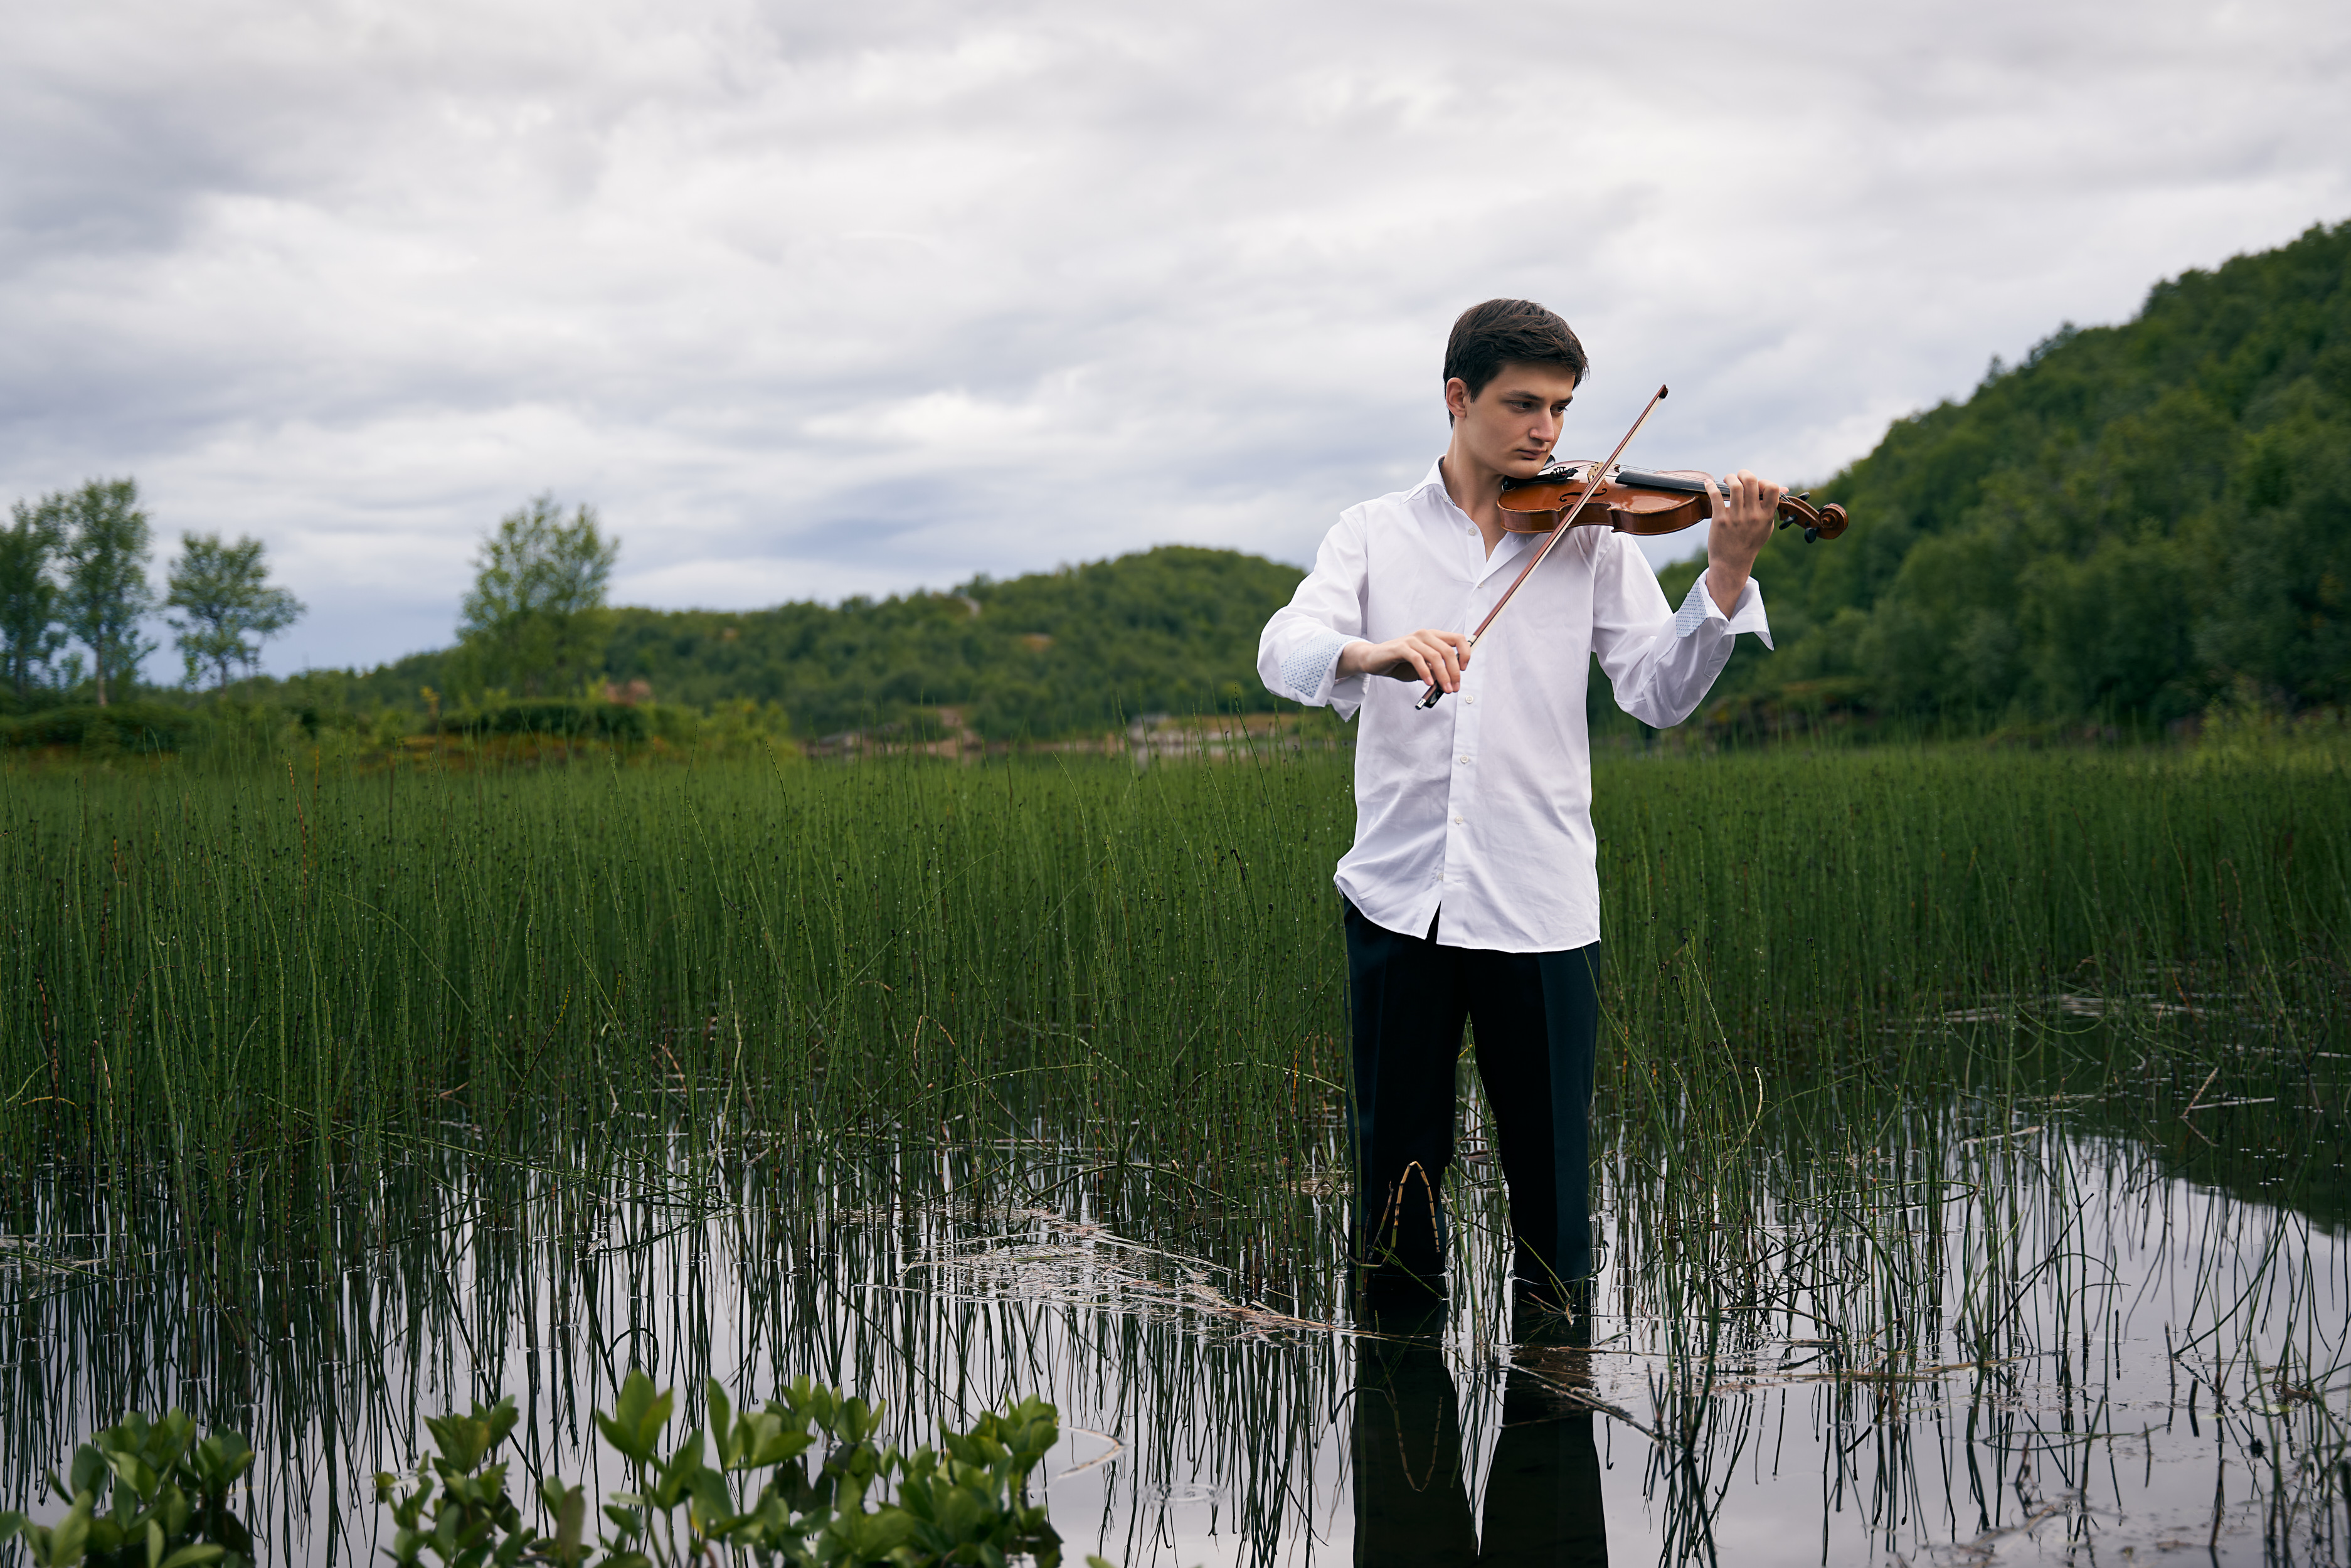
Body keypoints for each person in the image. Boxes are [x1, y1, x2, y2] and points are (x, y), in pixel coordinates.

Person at [1256, 298, 1784, 1306]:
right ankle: (1403, 1409)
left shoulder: (1590, 535)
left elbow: (1658, 696)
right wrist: (1375, 651)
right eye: (1523, 404)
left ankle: (1552, 1409)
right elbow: (1285, 649)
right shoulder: (1369, 532)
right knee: (1396, 1194)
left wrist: (1725, 572)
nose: (1547, 431)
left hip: (1539, 908)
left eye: (1562, 408)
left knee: (1552, 1204)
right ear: (1458, 398)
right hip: (1396, 904)